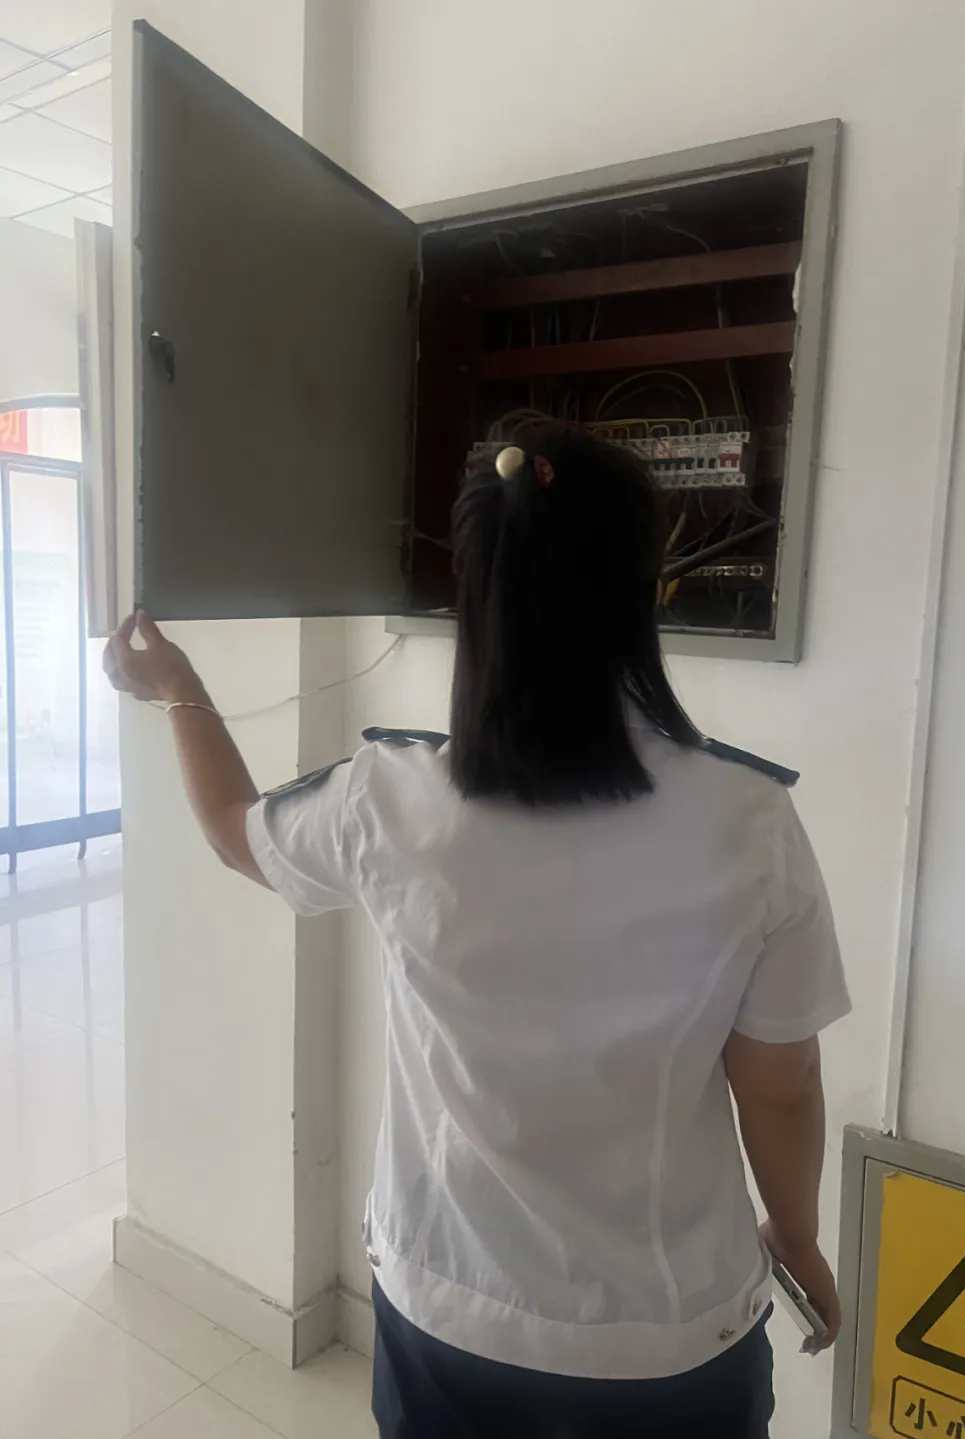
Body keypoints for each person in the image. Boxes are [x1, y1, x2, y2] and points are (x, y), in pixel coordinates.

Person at [104, 428, 849, 1439]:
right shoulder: (748, 819)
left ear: (475, 593)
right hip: (672, 1334)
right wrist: (797, 1237)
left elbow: (238, 833)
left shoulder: (389, 796)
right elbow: (779, 1084)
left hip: (447, 1309)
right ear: (647, 583)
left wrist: (176, 686)